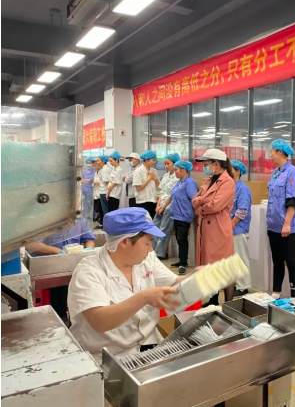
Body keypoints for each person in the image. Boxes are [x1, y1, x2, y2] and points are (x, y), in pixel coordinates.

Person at [67, 208, 187, 362]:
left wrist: (202, 276)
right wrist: (144, 297)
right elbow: (99, 321)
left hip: (147, 345)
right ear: (125, 241)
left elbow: (173, 283)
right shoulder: (89, 272)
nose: (151, 249)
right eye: (148, 242)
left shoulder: (146, 259)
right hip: (107, 357)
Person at [27, 217, 96, 322]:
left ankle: (70, 317)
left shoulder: (80, 220)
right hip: (47, 265)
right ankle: (59, 319)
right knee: (59, 292)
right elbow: (31, 244)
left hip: (72, 263)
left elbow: (89, 239)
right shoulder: (44, 220)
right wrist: (58, 251)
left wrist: (88, 249)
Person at [192, 149, 235, 305]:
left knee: (224, 266)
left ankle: (229, 303)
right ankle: (213, 299)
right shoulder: (209, 180)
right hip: (205, 229)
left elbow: (216, 205)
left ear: (216, 164)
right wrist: (201, 202)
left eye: (207, 164)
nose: (205, 167)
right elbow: (194, 199)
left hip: (218, 229)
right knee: (209, 265)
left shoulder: (227, 182)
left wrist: (200, 205)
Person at [266, 139, 295, 311]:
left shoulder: (293, 172)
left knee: (291, 261)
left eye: (272, 151)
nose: (270, 155)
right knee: (277, 261)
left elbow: (292, 200)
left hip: (287, 227)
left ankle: (294, 298)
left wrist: (287, 223)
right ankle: (276, 293)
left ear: (280, 152)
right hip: (273, 226)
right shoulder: (275, 173)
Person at [170, 161, 198, 273]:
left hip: (184, 215)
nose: (175, 172)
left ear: (183, 170)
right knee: (179, 238)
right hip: (176, 215)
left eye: (176, 170)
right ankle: (182, 260)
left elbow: (194, 199)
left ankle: (183, 263)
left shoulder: (190, 182)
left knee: (182, 239)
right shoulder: (179, 182)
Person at [230, 160, 252, 296]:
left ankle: (244, 287)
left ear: (238, 171)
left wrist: (231, 224)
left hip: (238, 229)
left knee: (240, 258)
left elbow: (242, 211)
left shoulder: (243, 189)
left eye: (230, 169)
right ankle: (236, 285)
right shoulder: (229, 187)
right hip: (229, 230)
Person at [153, 153, 180, 260]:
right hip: (161, 205)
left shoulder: (177, 178)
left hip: (169, 206)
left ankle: (160, 253)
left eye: (168, 164)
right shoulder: (165, 175)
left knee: (164, 229)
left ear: (175, 163)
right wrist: (158, 205)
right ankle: (153, 250)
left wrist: (163, 207)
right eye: (165, 164)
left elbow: (171, 195)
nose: (166, 166)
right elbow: (161, 192)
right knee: (154, 227)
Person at [133, 150, 160, 218]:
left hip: (153, 200)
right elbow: (138, 188)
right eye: (153, 160)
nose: (154, 162)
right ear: (147, 160)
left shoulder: (154, 171)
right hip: (143, 202)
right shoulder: (138, 171)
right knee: (144, 221)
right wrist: (149, 178)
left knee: (152, 221)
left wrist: (156, 179)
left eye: (155, 160)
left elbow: (157, 186)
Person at [82, 157, 96, 222]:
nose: (88, 165)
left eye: (90, 163)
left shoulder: (94, 171)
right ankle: (85, 215)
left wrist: (85, 180)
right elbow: (81, 179)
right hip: (83, 189)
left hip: (90, 189)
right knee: (84, 202)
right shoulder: (84, 171)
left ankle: (91, 215)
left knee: (90, 202)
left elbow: (90, 180)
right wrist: (85, 180)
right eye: (87, 163)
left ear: (92, 163)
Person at [92, 158, 104, 228]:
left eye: (96, 163)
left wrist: (97, 182)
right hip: (96, 193)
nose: (95, 165)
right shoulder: (96, 172)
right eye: (94, 163)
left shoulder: (102, 171)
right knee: (98, 209)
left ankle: (102, 223)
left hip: (101, 192)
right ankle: (100, 222)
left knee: (101, 209)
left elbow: (105, 181)